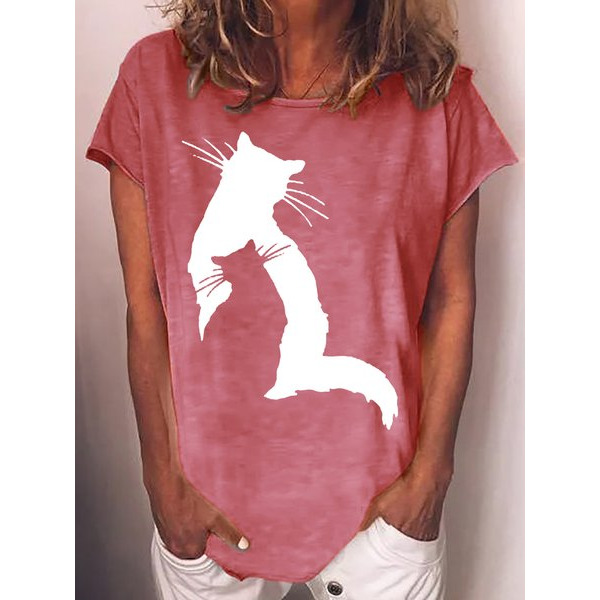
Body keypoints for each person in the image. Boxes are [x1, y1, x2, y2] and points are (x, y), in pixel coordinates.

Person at [85, 0, 519, 598]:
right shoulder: (153, 79)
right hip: (205, 512)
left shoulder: (435, 96)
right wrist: (162, 482)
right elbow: (147, 302)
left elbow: (451, 301)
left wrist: (429, 481)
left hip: (381, 519)